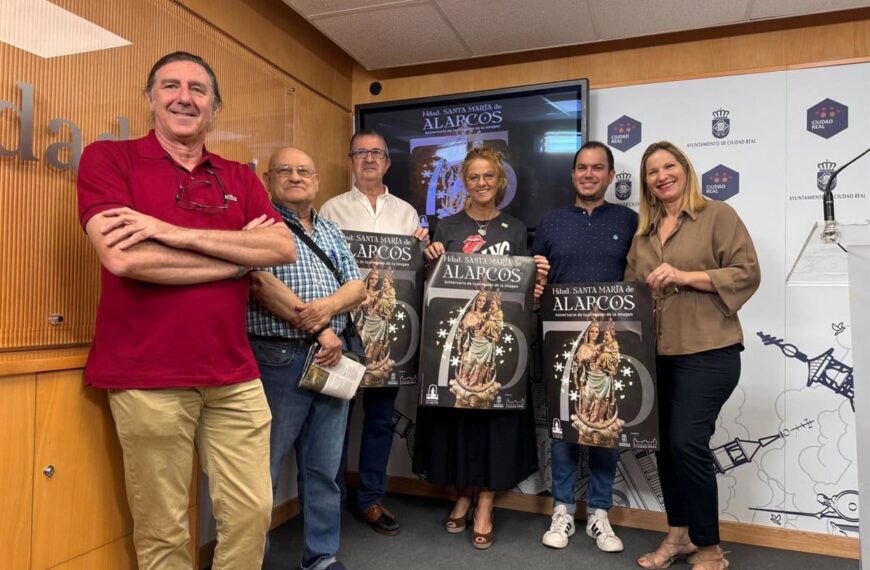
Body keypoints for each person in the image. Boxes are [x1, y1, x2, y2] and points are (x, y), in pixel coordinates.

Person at [76, 52, 296, 570]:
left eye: (198, 90)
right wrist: (234, 258)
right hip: (146, 375)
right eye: (170, 85)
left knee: (251, 512)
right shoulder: (109, 158)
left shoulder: (239, 178)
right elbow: (125, 257)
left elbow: (281, 249)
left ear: (214, 108)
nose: (184, 96)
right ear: (150, 97)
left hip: (235, 374)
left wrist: (167, 232)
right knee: (164, 527)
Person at [626, 141, 760, 570]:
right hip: (658, 356)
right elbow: (630, 294)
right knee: (665, 446)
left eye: (670, 166)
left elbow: (747, 272)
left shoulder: (718, 215)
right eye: (652, 171)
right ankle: (678, 535)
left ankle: (709, 548)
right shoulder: (643, 236)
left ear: (685, 170)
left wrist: (686, 276)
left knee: (686, 443)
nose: (662, 175)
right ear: (645, 183)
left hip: (709, 351)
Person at [412, 146, 548, 549]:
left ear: (500, 181)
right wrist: (431, 256)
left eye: (490, 176)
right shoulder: (446, 226)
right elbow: (432, 289)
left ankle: (486, 501)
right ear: (464, 182)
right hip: (457, 342)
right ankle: (462, 494)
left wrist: (536, 281)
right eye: (474, 177)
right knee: (459, 419)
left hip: (500, 341)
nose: (482, 183)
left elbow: (524, 294)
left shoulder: (517, 229)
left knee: (495, 423)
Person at [247, 146, 365, 570]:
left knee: (323, 469)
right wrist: (319, 328)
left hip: (330, 361)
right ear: (268, 178)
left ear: (316, 182)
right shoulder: (259, 227)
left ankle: (321, 557)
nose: (296, 177)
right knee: (261, 470)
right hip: (278, 357)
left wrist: (326, 311)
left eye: (304, 171)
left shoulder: (331, 230)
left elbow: (358, 288)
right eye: (285, 170)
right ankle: (249, 559)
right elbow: (261, 285)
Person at [319, 129, 428, 536]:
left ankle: (370, 498)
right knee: (336, 418)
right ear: (351, 161)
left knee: (381, 419)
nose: (368, 159)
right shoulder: (330, 209)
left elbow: (413, 274)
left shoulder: (407, 213)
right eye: (360, 152)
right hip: (343, 329)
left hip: (387, 334)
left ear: (387, 162)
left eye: (376, 153)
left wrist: (424, 247)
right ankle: (329, 499)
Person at [532, 141, 637, 553]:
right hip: (560, 344)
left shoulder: (630, 222)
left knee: (603, 427)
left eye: (598, 168)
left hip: (609, 347)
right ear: (573, 174)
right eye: (581, 168)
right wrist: (536, 282)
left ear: (611, 176)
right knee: (563, 430)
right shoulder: (550, 222)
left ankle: (599, 513)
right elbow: (534, 285)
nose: (589, 174)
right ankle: (561, 509)